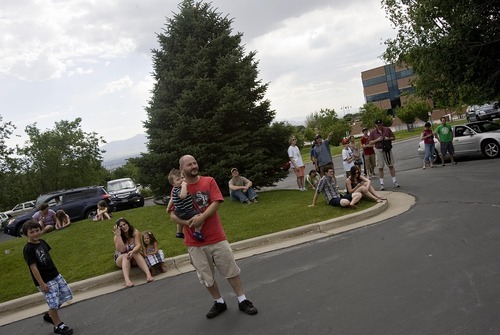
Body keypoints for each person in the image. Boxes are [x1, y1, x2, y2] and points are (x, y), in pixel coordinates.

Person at [169, 155, 258, 319]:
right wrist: (188, 222)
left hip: (216, 237)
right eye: (189, 164)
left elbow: (216, 202)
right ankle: (219, 302)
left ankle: (242, 299)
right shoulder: (177, 187)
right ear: (182, 169)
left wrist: (201, 218)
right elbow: (172, 215)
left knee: (230, 269)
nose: (194, 166)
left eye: (195, 162)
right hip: (194, 243)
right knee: (206, 276)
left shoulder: (208, 181)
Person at [22, 220, 74, 335]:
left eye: (37, 230)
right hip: (45, 280)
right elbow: (33, 268)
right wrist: (42, 283)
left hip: (55, 274)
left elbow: (47, 257)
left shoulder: (42, 242)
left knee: (66, 294)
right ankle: (58, 325)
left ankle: (50, 315)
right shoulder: (28, 249)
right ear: (26, 234)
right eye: (32, 232)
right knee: (53, 303)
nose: (35, 234)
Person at [114, 217, 154, 287]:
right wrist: (118, 235)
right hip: (122, 258)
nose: (123, 227)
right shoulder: (116, 237)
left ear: (128, 224)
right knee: (125, 255)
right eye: (121, 226)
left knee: (135, 252)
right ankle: (127, 281)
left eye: (124, 224)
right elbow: (122, 250)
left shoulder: (135, 232)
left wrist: (132, 252)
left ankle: (149, 275)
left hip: (134, 257)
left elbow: (138, 245)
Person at [167, 168, 204, 241]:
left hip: (178, 211)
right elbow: (183, 196)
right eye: (178, 180)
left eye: (182, 178)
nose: (181, 180)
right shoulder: (179, 189)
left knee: (180, 221)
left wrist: (168, 207)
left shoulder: (174, 189)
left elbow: (172, 199)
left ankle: (179, 232)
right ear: (173, 184)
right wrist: (184, 186)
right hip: (186, 211)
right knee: (201, 216)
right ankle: (197, 232)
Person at [368, 119, 400, 191]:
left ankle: (394, 181)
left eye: (381, 124)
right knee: (380, 167)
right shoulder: (373, 132)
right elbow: (370, 142)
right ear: (375, 125)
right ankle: (382, 184)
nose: (380, 126)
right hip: (379, 150)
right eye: (378, 125)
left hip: (387, 149)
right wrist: (377, 140)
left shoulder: (387, 129)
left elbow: (393, 137)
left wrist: (387, 138)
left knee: (391, 165)